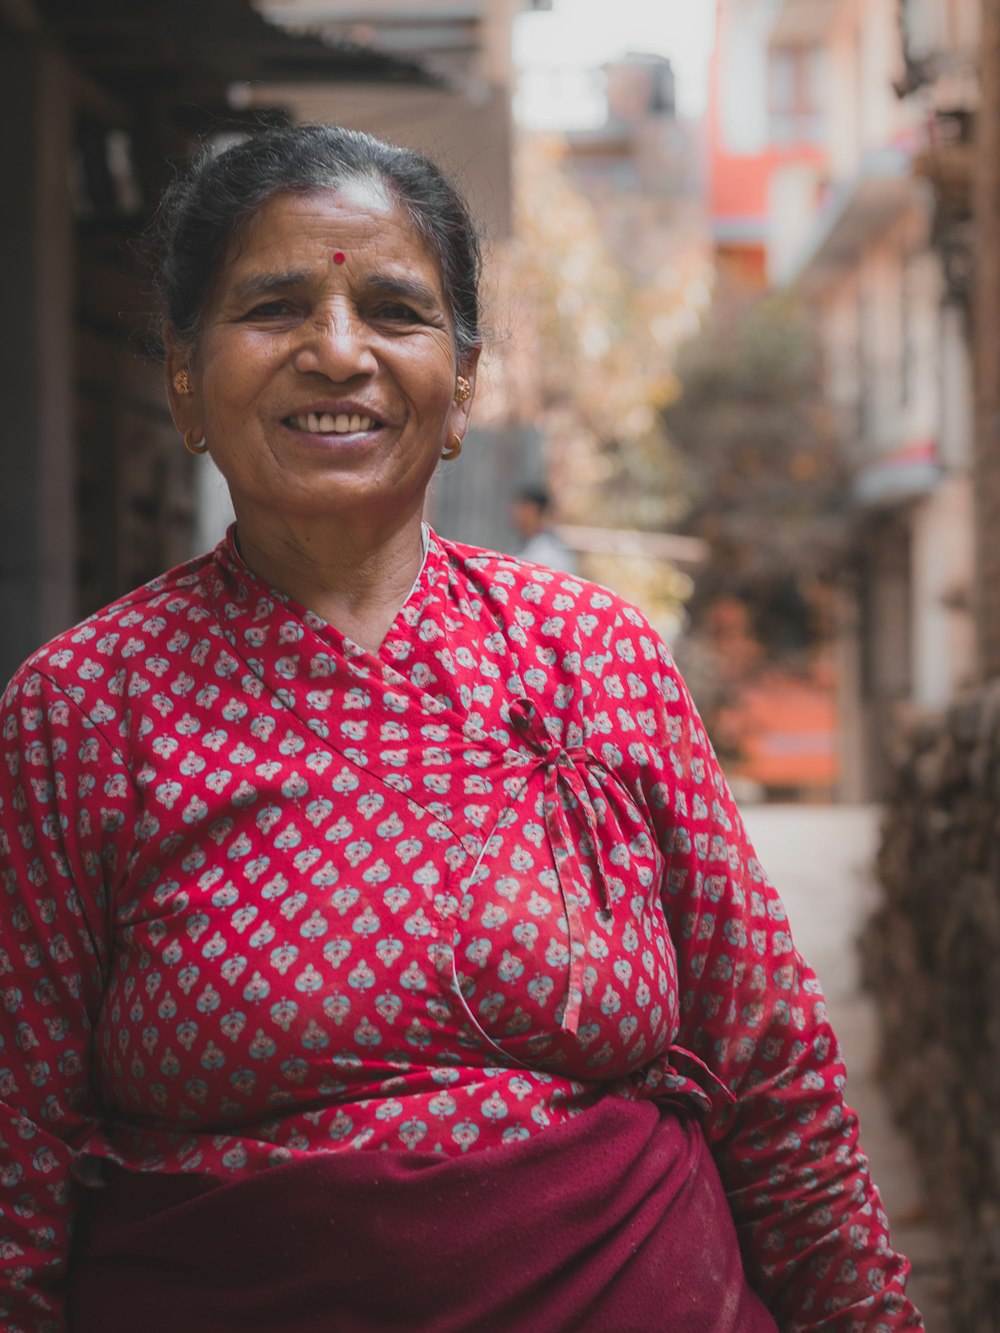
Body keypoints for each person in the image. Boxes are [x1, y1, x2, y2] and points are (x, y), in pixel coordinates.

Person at [0, 124, 922, 1333]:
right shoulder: (81, 711)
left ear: (463, 386)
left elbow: (769, 1065)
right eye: (274, 308)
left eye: (394, 309)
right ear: (182, 376)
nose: (339, 353)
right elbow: (17, 1147)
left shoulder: (594, 658)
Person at [509, 484, 579, 574]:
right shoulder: (523, 541)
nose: (514, 512)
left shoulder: (550, 552)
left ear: (532, 510)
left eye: (520, 507)